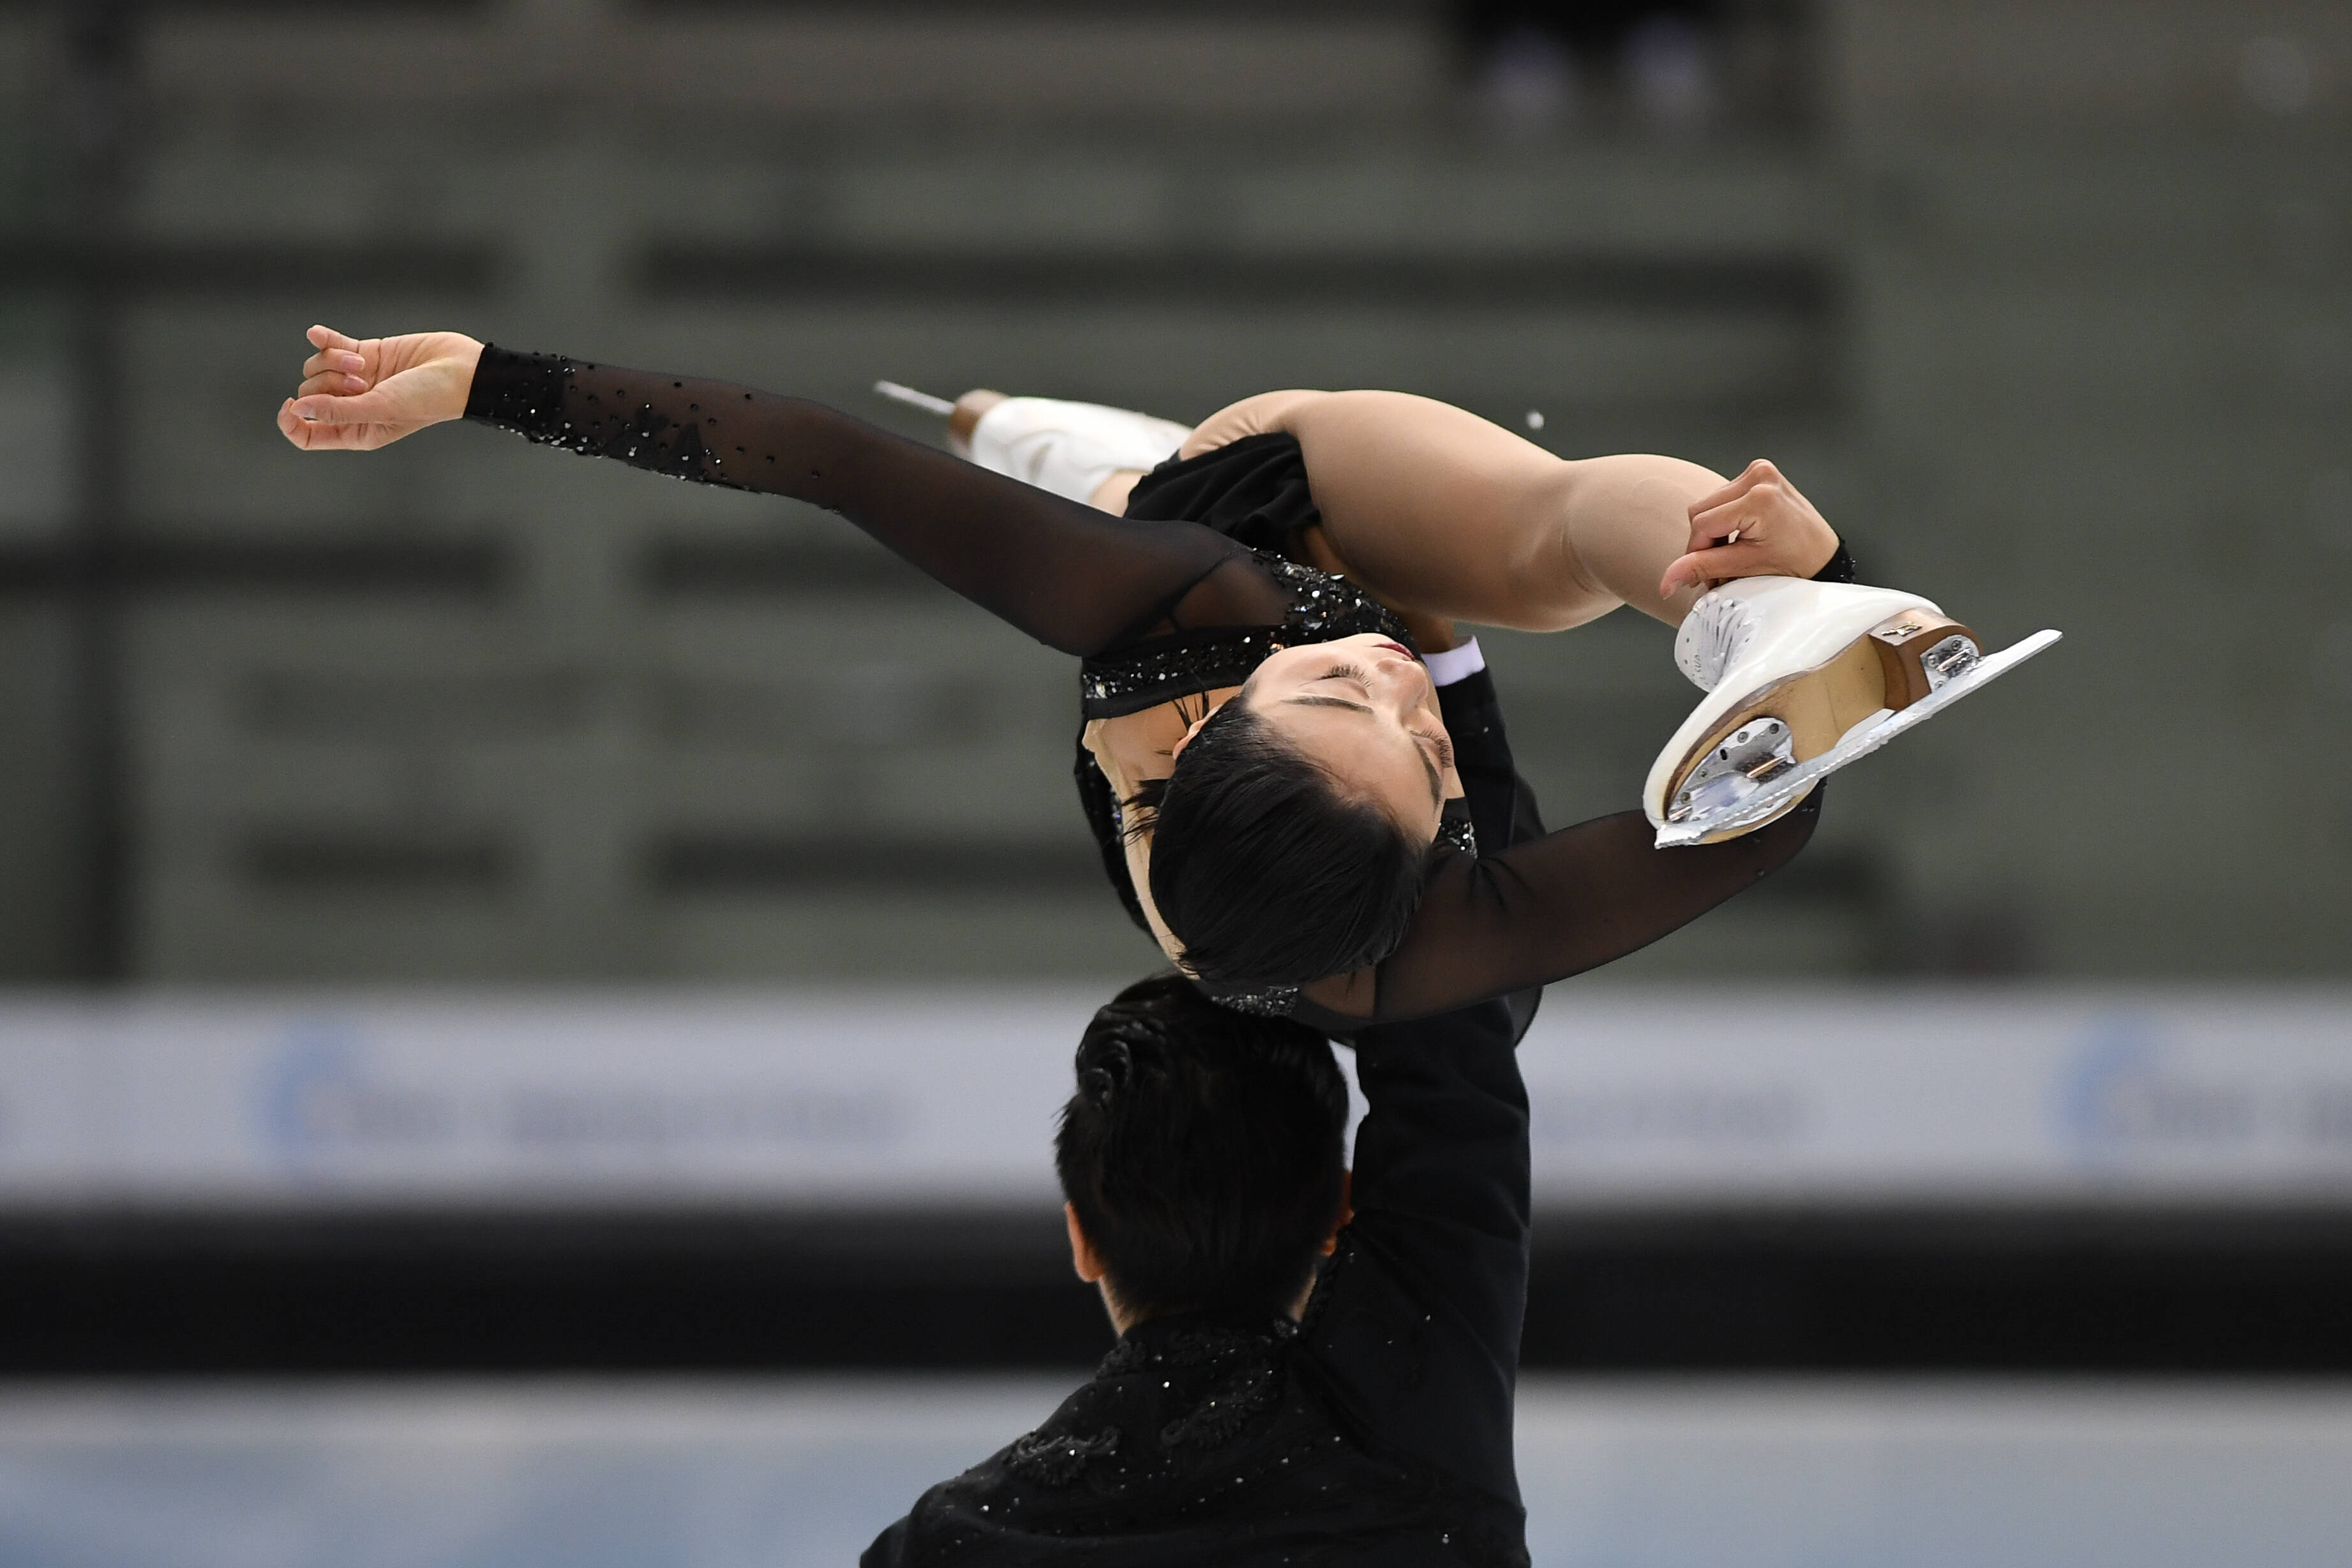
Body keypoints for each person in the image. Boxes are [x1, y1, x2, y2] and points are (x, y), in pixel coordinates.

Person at [276, 327, 1892, 1024]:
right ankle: (1767, 580)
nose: (1391, 675)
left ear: (1217, 732)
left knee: (1545, 525)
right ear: (1432, 857)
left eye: (1344, 696)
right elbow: (1761, 828)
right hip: (1350, 855)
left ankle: (1723, 564)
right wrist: (1807, 721)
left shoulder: (1162, 612)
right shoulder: (1421, 943)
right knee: (1497, 996)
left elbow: (824, 460)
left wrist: (484, 384)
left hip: (1255, 502)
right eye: (1426, 741)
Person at [863, 635, 1558, 1566]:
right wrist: (1429, 685)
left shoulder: (944, 1543)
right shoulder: (1411, 1421)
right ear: (1338, 1210)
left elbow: (1456, 1025)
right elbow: (1453, 1060)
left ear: (1081, 1236)